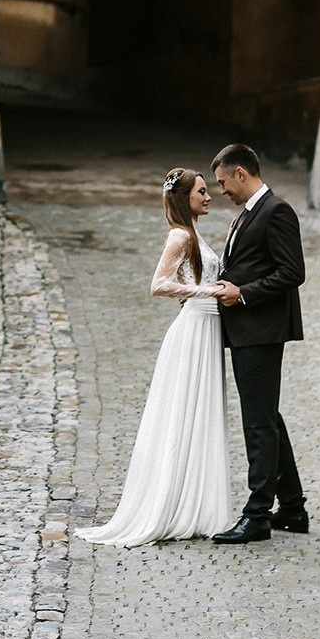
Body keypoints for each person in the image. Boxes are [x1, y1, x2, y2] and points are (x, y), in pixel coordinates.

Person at [77, 168, 240, 547]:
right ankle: (171, 503)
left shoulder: (194, 233)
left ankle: (199, 506)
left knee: (202, 414)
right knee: (183, 413)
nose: (209, 196)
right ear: (186, 198)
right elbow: (158, 284)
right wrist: (206, 292)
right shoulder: (181, 236)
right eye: (202, 191)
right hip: (194, 328)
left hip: (208, 329)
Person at [209, 142, 308, 544]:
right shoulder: (248, 215)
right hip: (249, 329)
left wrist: (243, 294)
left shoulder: (276, 211)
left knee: (258, 421)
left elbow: (292, 272)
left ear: (241, 174)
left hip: (262, 329)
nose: (221, 192)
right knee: (268, 416)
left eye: (222, 183)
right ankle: (293, 508)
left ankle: (257, 515)